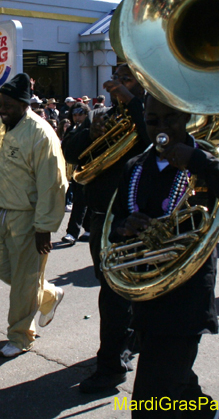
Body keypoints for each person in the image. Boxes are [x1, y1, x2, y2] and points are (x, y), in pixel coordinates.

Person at [110, 94, 219, 419]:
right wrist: (126, 226)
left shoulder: (209, 160)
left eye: (171, 120)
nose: (161, 129)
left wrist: (199, 162)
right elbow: (113, 230)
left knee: (150, 404)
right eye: (153, 122)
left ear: (187, 119)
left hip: (187, 301)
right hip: (147, 298)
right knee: (180, 387)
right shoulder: (135, 167)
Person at [62, 63, 150, 393]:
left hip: (132, 219)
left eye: (127, 79)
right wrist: (90, 132)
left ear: (141, 83)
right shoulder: (106, 114)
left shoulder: (151, 111)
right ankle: (129, 342)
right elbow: (70, 151)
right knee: (115, 287)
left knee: (115, 296)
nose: (117, 84)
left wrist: (134, 102)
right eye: (117, 77)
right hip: (101, 216)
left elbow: (155, 139)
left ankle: (110, 366)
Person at [0, 73, 68, 359]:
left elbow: (53, 183)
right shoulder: (1, 125)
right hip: (0, 213)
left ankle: (21, 335)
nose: (2, 110)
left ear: (24, 105)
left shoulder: (41, 134)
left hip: (28, 217)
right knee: (4, 270)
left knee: (24, 280)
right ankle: (49, 295)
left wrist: (44, 227)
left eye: (8, 105)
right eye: (1, 104)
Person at [61, 102, 91, 245]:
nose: (77, 117)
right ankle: (72, 233)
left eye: (80, 114)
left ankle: (87, 229)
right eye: (74, 115)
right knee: (79, 201)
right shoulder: (71, 129)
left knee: (88, 201)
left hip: (91, 167)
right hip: (77, 168)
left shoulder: (91, 127)